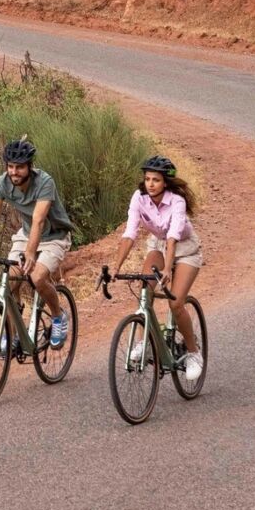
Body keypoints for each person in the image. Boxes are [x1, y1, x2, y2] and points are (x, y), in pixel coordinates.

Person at [0, 136, 72, 348]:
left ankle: (58, 317)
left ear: (30, 167)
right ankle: (14, 334)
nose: (14, 172)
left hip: (54, 236)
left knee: (38, 277)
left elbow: (39, 220)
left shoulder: (45, 182)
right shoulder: (3, 183)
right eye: (11, 167)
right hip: (27, 233)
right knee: (10, 279)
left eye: (20, 167)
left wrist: (30, 254)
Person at [109, 154, 204, 380]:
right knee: (146, 289)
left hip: (185, 250)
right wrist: (115, 267)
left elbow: (173, 238)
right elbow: (130, 233)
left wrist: (168, 269)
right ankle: (144, 342)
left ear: (166, 183)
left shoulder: (177, 202)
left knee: (175, 302)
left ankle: (193, 353)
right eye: (148, 179)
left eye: (156, 180)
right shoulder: (138, 198)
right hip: (158, 245)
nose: (150, 184)